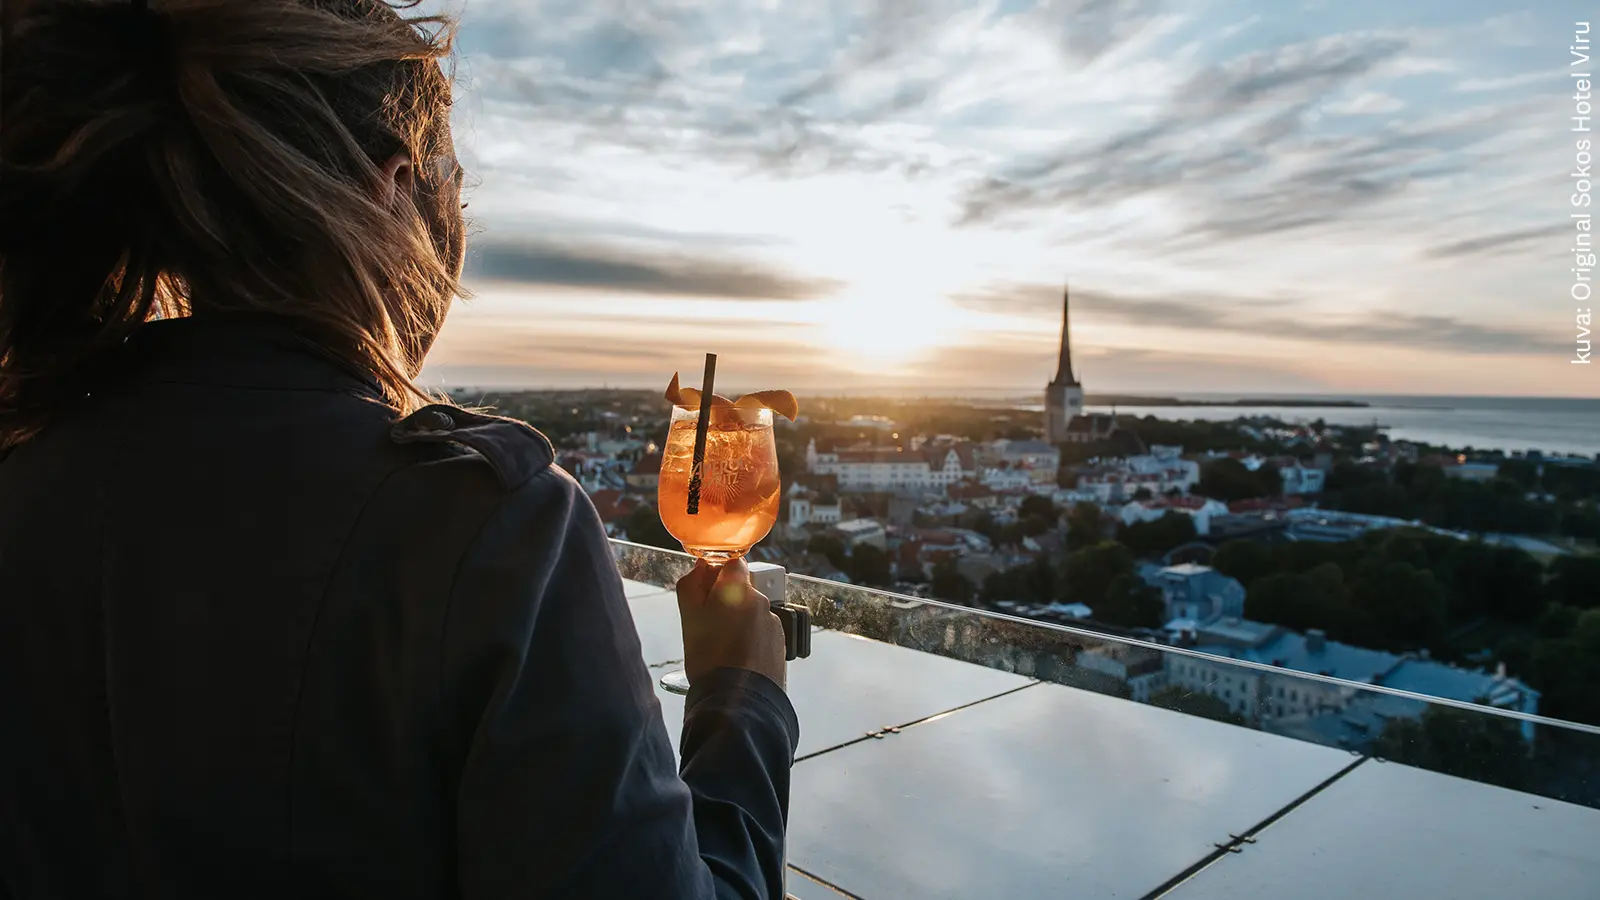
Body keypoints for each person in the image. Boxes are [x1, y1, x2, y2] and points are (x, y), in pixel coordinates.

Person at [0, 2, 799, 898]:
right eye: (453, 195)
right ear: (390, 188)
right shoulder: (489, 531)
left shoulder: (30, 463)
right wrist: (743, 698)